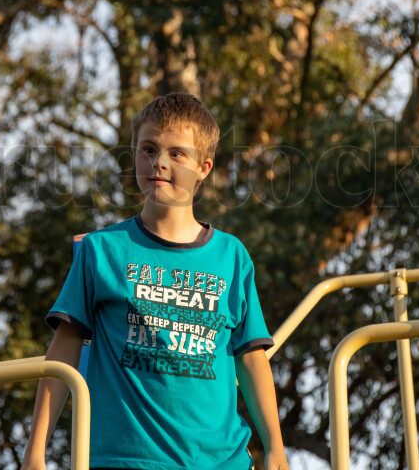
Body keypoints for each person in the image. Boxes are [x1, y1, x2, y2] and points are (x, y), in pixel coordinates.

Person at [21, 92, 289, 470]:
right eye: (148, 149)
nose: (158, 162)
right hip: (122, 461)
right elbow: (63, 352)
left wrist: (274, 446)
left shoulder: (232, 257)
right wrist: (36, 451)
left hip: (221, 462)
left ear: (204, 167)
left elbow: (251, 358)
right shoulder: (102, 251)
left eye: (176, 153)